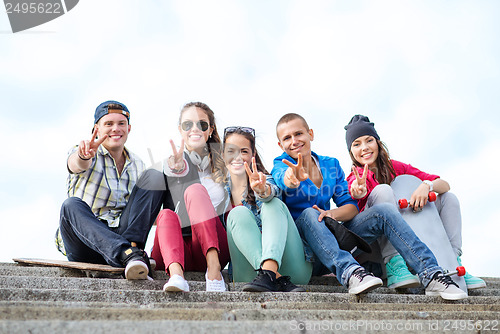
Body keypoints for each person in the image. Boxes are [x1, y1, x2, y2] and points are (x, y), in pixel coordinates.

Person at [271, 113, 467, 300]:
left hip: (330, 240)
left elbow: (351, 208)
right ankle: (351, 273)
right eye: (287, 138)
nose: (294, 141)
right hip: (303, 251)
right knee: (309, 214)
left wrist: (330, 213)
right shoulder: (281, 164)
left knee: (385, 211)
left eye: (298, 134)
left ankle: (431, 274)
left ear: (310, 134)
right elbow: (282, 178)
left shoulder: (330, 164)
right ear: (280, 144)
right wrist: (291, 178)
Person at [345, 114, 485, 290]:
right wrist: (358, 191)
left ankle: (453, 263)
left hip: (407, 242)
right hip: (373, 249)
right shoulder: (354, 177)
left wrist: (426, 185)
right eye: (356, 144)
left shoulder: (394, 167)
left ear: (378, 143)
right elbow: (355, 189)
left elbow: (444, 184)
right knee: (384, 191)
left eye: (369, 140)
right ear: (351, 152)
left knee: (449, 198)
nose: (364, 148)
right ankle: (394, 265)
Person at [56, 100, 156, 280]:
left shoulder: (138, 164)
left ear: (129, 128)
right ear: (97, 129)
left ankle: (132, 253)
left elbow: (142, 209)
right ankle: (128, 254)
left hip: (120, 233)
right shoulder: (86, 151)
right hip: (85, 241)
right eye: (108, 124)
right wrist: (82, 156)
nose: (115, 129)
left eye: (121, 124)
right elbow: (75, 164)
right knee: (70, 205)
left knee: (154, 177)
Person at [150, 102, 230, 292]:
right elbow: (151, 216)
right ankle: (177, 277)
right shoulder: (171, 164)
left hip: (212, 249)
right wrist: (177, 169)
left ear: (210, 129)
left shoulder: (226, 167)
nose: (195, 129)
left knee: (196, 191)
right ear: (180, 130)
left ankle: (214, 272)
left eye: (202, 124)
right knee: (166, 215)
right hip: (175, 249)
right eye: (188, 125)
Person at [223, 126, 312, 292]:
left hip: (293, 271)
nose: (237, 156)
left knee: (273, 203)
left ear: (252, 156)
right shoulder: (217, 193)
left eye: (243, 151)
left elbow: (271, 192)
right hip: (248, 274)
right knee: (238, 213)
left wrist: (262, 191)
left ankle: (270, 271)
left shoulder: (267, 179)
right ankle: (272, 275)